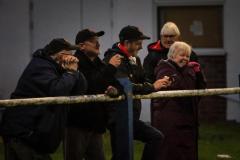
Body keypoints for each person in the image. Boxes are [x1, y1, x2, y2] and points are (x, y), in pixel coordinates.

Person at [1, 38, 87, 160]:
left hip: (33, 136)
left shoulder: (56, 68)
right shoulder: (40, 67)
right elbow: (57, 91)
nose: (72, 57)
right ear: (60, 55)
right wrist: (70, 74)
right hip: (23, 134)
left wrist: (75, 71)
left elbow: (80, 90)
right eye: (68, 53)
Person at [104, 25, 171, 160]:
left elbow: (144, 79)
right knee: (124, 155)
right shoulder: (113, 58)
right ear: (127, 43)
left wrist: (160, 82)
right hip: (119, 118)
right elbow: (126, 86)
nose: (141, 47)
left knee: (155, 138)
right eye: (138, 43)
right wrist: (152, 87)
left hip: (130, 116)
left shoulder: (135, 59)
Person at [65, 29, 123, 160]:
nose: (98, 44)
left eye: (98, 41)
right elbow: (89, 85)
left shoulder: (99, 63)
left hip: (96, 123)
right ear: (81, 46)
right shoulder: (75, 63)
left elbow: (117, 85)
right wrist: (111, 67)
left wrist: (114, 90)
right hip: (78, 123)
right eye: (92, 41)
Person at [152, 41, 206, 160]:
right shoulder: (164, 68)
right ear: (172, 55)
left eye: (187, 56)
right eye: (182, 55)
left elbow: (200, 90)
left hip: (188, 121)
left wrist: (199, 73)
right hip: (171, 123)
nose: (185, 59)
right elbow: (176, 86)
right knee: (171, 153)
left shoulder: (189, 70)